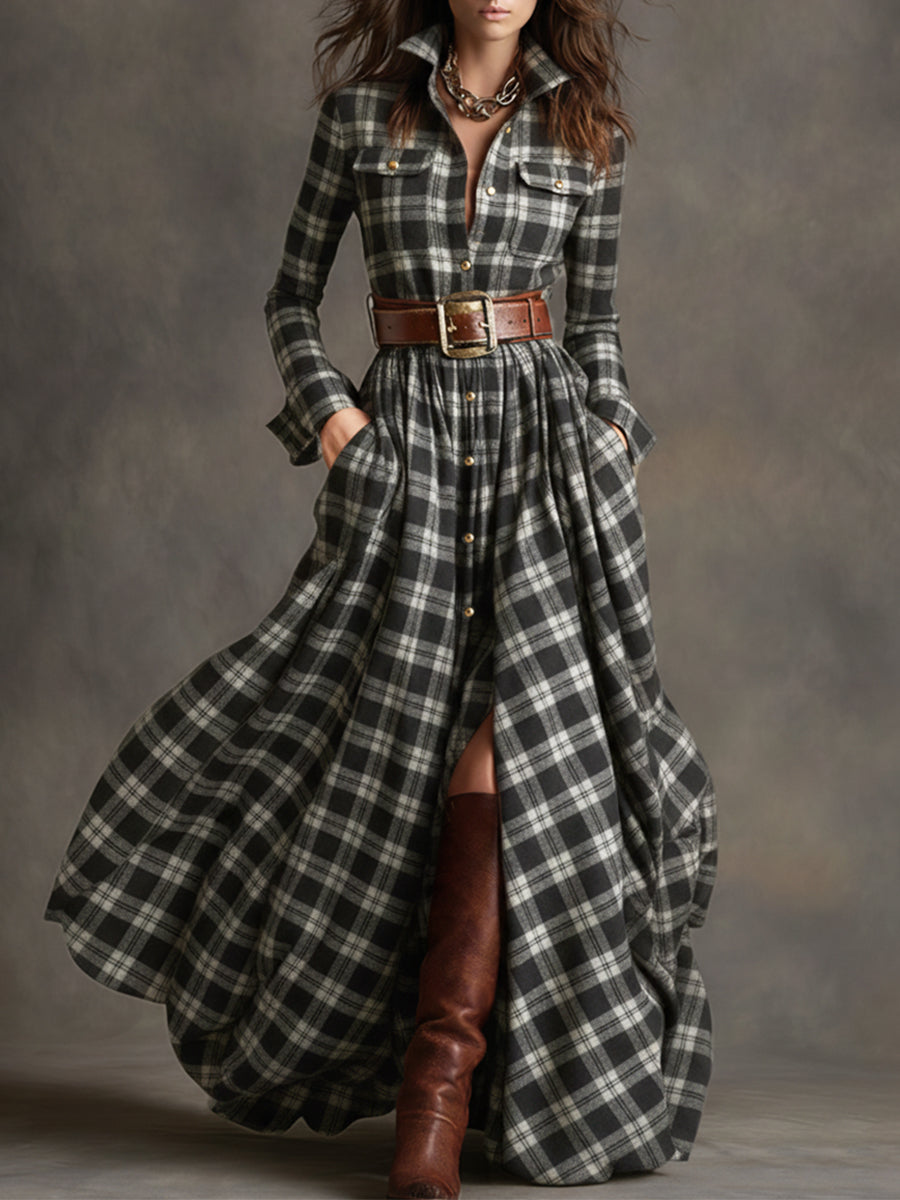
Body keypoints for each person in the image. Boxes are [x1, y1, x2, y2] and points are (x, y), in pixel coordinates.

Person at [43, 1, 719, 1196]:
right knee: (380, 747)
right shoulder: (364, 116)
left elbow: (599, 324)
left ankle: (438, 1097)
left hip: (546, 462)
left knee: (527, 742)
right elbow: (289, 299)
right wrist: (337, 424)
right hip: (406, 453)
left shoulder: (587, 131)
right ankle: (405, 1062)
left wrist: (614, 430)